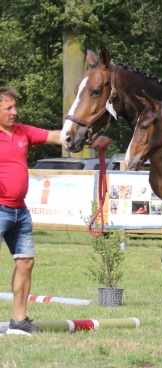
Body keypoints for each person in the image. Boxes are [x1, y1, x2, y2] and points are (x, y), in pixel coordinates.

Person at [0, 87, 109, 335]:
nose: (14, 112)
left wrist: (87, 137)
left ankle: (19, 320)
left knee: (26, 263)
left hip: (19, 212)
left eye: (15, 107)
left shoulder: (22, 131)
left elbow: (57, 136)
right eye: (8, 108)